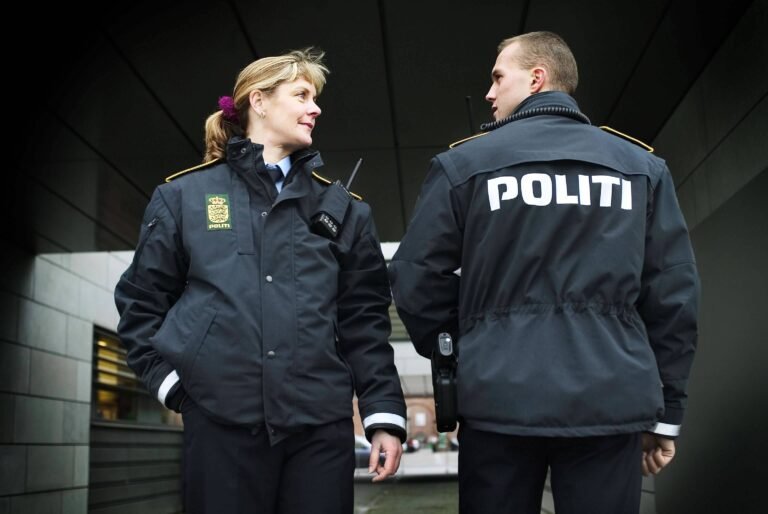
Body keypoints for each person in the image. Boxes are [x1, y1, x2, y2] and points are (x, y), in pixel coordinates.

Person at [388, 32, 699, 514]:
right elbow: (673, 294)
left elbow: (414, 276)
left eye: (498, 78)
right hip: (610, 399)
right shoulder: (640, 168)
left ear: (537, 78)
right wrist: (668, 411)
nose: (489, 93)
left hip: (497, 400)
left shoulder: (464, 165)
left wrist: (470, 345)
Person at [115, 48, 406, 514]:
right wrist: (174, 388)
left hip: (319, 429)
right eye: (302, 95)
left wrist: (383, 416)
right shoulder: (183, 197)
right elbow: (140, 303)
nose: (316, 108)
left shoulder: (346, 211)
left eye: (315, 98)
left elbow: (365, 322)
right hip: (219, 422)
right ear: (259, 101)